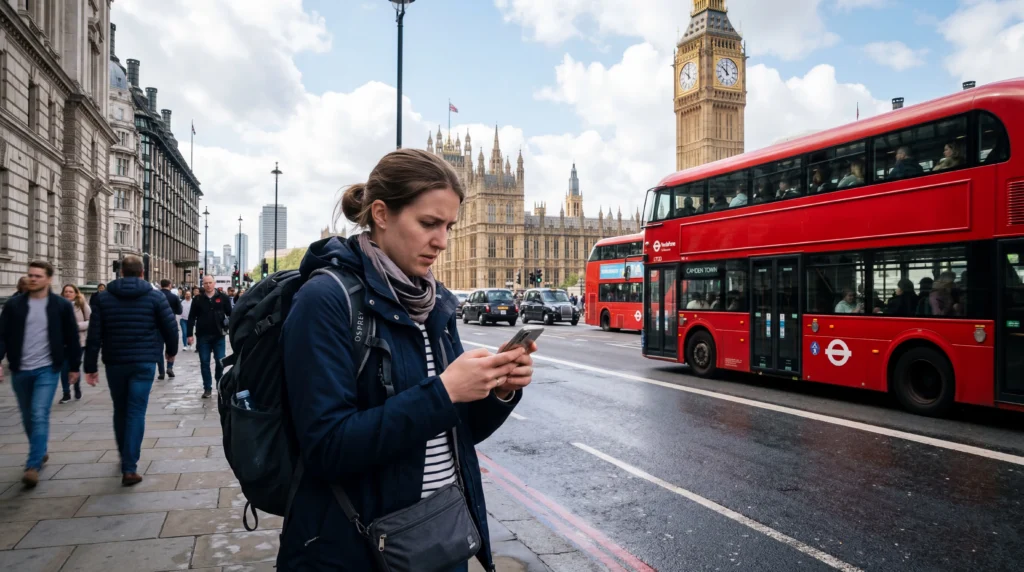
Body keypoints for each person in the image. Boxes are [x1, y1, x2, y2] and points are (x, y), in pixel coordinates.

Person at [278, 148, 535, 571]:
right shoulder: (326, 300)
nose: (442, 241)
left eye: (450, 226)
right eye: (429, 223)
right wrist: (444, 391)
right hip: (356, 550)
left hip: (438, 541)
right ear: (381, 213)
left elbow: (455, 433)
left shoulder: (434, 305)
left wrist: (498, 391)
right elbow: (327, 448)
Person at [85, 255, 177, 486]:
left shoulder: (103, 299)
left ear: (121, 272)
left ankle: (123, 455)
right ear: (143, 273)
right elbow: (170, 327)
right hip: (144, 361)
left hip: (115, 362)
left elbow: (94, 335)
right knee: (136, 411)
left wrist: (89, 366)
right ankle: (130, 466)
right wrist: (171, 352)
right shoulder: (155, 297)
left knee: (120, 409)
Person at [0, 261, 81, 488]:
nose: (33, 279)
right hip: (20, 369)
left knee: (38, 413)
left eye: (37, 275)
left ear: (48, 279)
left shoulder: (60, 306)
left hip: (47, 369)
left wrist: (75, 367)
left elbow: (72, 338)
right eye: (30, 275)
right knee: (27, 416)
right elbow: (2, 335)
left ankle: (32, 465)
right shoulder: (15, 305)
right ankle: (40, 449)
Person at [187, 274, 232, 399]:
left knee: (220, 361)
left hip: (219, 335)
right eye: (206, 283)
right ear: (203, 284)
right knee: (204, 363)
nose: (208, 285)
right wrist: (189, 334)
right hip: (203, 336)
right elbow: (191, 317)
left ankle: (219, 383)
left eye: (210, 282)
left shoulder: (223, 297)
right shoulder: (198, 299)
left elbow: (231, 314)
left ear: (214, 283)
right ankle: (207, 387)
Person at [58, 284, 91, 403]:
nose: (67, 293)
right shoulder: (58, 305)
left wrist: (76, 326)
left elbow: (90, 321)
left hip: (78, 342)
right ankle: (66, 393)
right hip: (62, 342)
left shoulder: (82, 305)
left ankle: (77, 388)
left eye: (70, 291)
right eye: (66, 291)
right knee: (63, 368)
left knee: (74, 366)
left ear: (76, 293)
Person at [157, 279, 182, 380]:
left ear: (160, 285)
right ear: (170, 285)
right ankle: (170, 367)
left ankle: (161, 371)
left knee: (159, 349)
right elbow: (180, 311)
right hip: (171, 324)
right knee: (171, 347)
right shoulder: (174, 297)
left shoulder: (156, 296)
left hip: (157, 325)